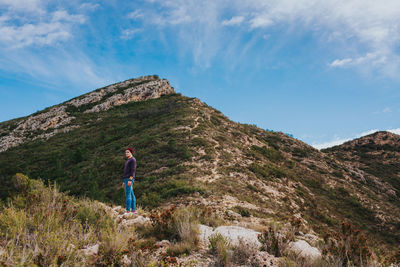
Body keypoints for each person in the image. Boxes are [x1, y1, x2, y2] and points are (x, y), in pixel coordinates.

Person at [122, 147, 136, 213]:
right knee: (131, 194)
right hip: (126, 179)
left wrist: (130, 180)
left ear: (131, 153)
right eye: (126, 152)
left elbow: (133, 170)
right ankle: (133, 209)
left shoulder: (133, 160)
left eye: (128, 152)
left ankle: (128, 210)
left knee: (128, 194)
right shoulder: (128, 160)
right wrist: (124, 182)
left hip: (129, 178)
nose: (126, 153)